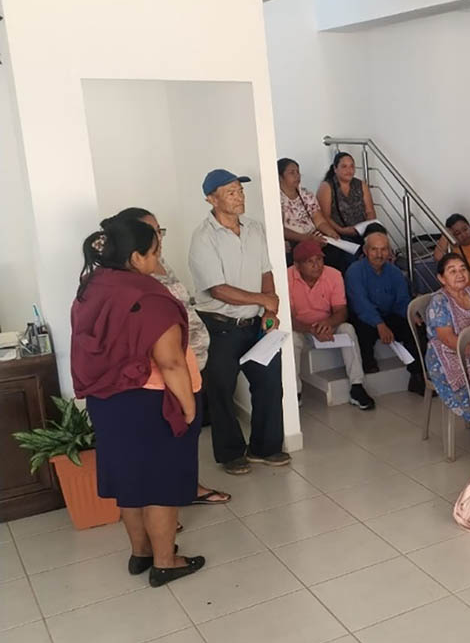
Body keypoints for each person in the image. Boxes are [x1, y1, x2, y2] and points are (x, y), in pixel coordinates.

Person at [72, 214, 205, 586]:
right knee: (161, 482)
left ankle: (141, 553)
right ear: (135, 257)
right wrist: (189, 407)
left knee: (129, 481)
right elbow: (171, 362)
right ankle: (166, 561)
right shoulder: (147, 297)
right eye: (155, 251)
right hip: (150, 402)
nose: (158, 259)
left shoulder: (93, 285)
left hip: (106, 401)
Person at [104, 210, 230, 512]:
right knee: (170, 441)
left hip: (191, 364)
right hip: (165, 376)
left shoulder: (158, 263)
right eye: (152, 232)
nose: (158, 238)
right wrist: (188, 404)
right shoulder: (132, 279)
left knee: (185, 443)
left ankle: (186, 489)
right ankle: (165, 511)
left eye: (160, 230)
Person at [188, 169, 288, 475]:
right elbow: (218, 290)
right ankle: (231, 453)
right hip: (219, 326)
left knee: (269, 385)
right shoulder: (203, 237)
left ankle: (265, 448)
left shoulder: (254, 228)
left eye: (240, 191)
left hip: (256, 324)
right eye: (231, 192)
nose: (239, 197)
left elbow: (266, 271)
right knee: (221, 392)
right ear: (211, 199)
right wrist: (264, 300)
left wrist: (269, 310)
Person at [288, 240, 374, 410]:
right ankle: (295, 392)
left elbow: (341, 311)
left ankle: (357, 386)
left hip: (327, 326)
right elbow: (289, 318)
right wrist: (311, 329)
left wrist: (328, 323)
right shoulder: (286, 277)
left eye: (319, 259)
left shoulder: (333, 275)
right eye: (310, 261)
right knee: (291, 339)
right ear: (297, 265)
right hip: (302, 330)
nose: (316, 265)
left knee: (348, 329)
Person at [345, 224, 424, 393]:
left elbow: (402, 301)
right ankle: (367, 361)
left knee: (415, 326)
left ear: (389, 252)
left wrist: (411, 315)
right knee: (361, 326)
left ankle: (417, 375)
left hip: (388, 314)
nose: (379, 254)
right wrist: (380, 324)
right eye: (374, 249)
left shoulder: (394, 272)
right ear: (366, 251)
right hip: (364, 316)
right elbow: (361, 304)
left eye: (383, 250)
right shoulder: (355, 271)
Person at [424, 253, 470, 422]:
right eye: (452, 271)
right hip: (450, 355)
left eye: (463, 269)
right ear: (441, 278)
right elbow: (447, 339)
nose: (460, 274)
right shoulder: (439, 301)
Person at [277, 158, 353, 271]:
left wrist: (331, 233)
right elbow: (280, 229)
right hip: (295, 240)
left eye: (298, 172)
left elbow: (319, 221)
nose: (297, 176)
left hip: (313, 236)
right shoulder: (276, 199)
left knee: (337, 251)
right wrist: (306, 239)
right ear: (280, 177)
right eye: (292, 173)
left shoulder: (306, 194)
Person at [316, 151, 376, 241]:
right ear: (335, 169)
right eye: (344, 166)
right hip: (338, 235)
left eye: (352, 166)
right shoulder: (327, 186)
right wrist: (342, 230)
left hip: (363, 233)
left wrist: (368, 229)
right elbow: (324, 217)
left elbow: (370, 211)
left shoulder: (361, 184)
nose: (349, 170)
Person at [435, 213, 470, 284]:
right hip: (465, 288)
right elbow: (438, 258)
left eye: (465, 229)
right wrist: (445, 235)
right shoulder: (453, 250)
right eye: (458, 233)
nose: (464, 235)